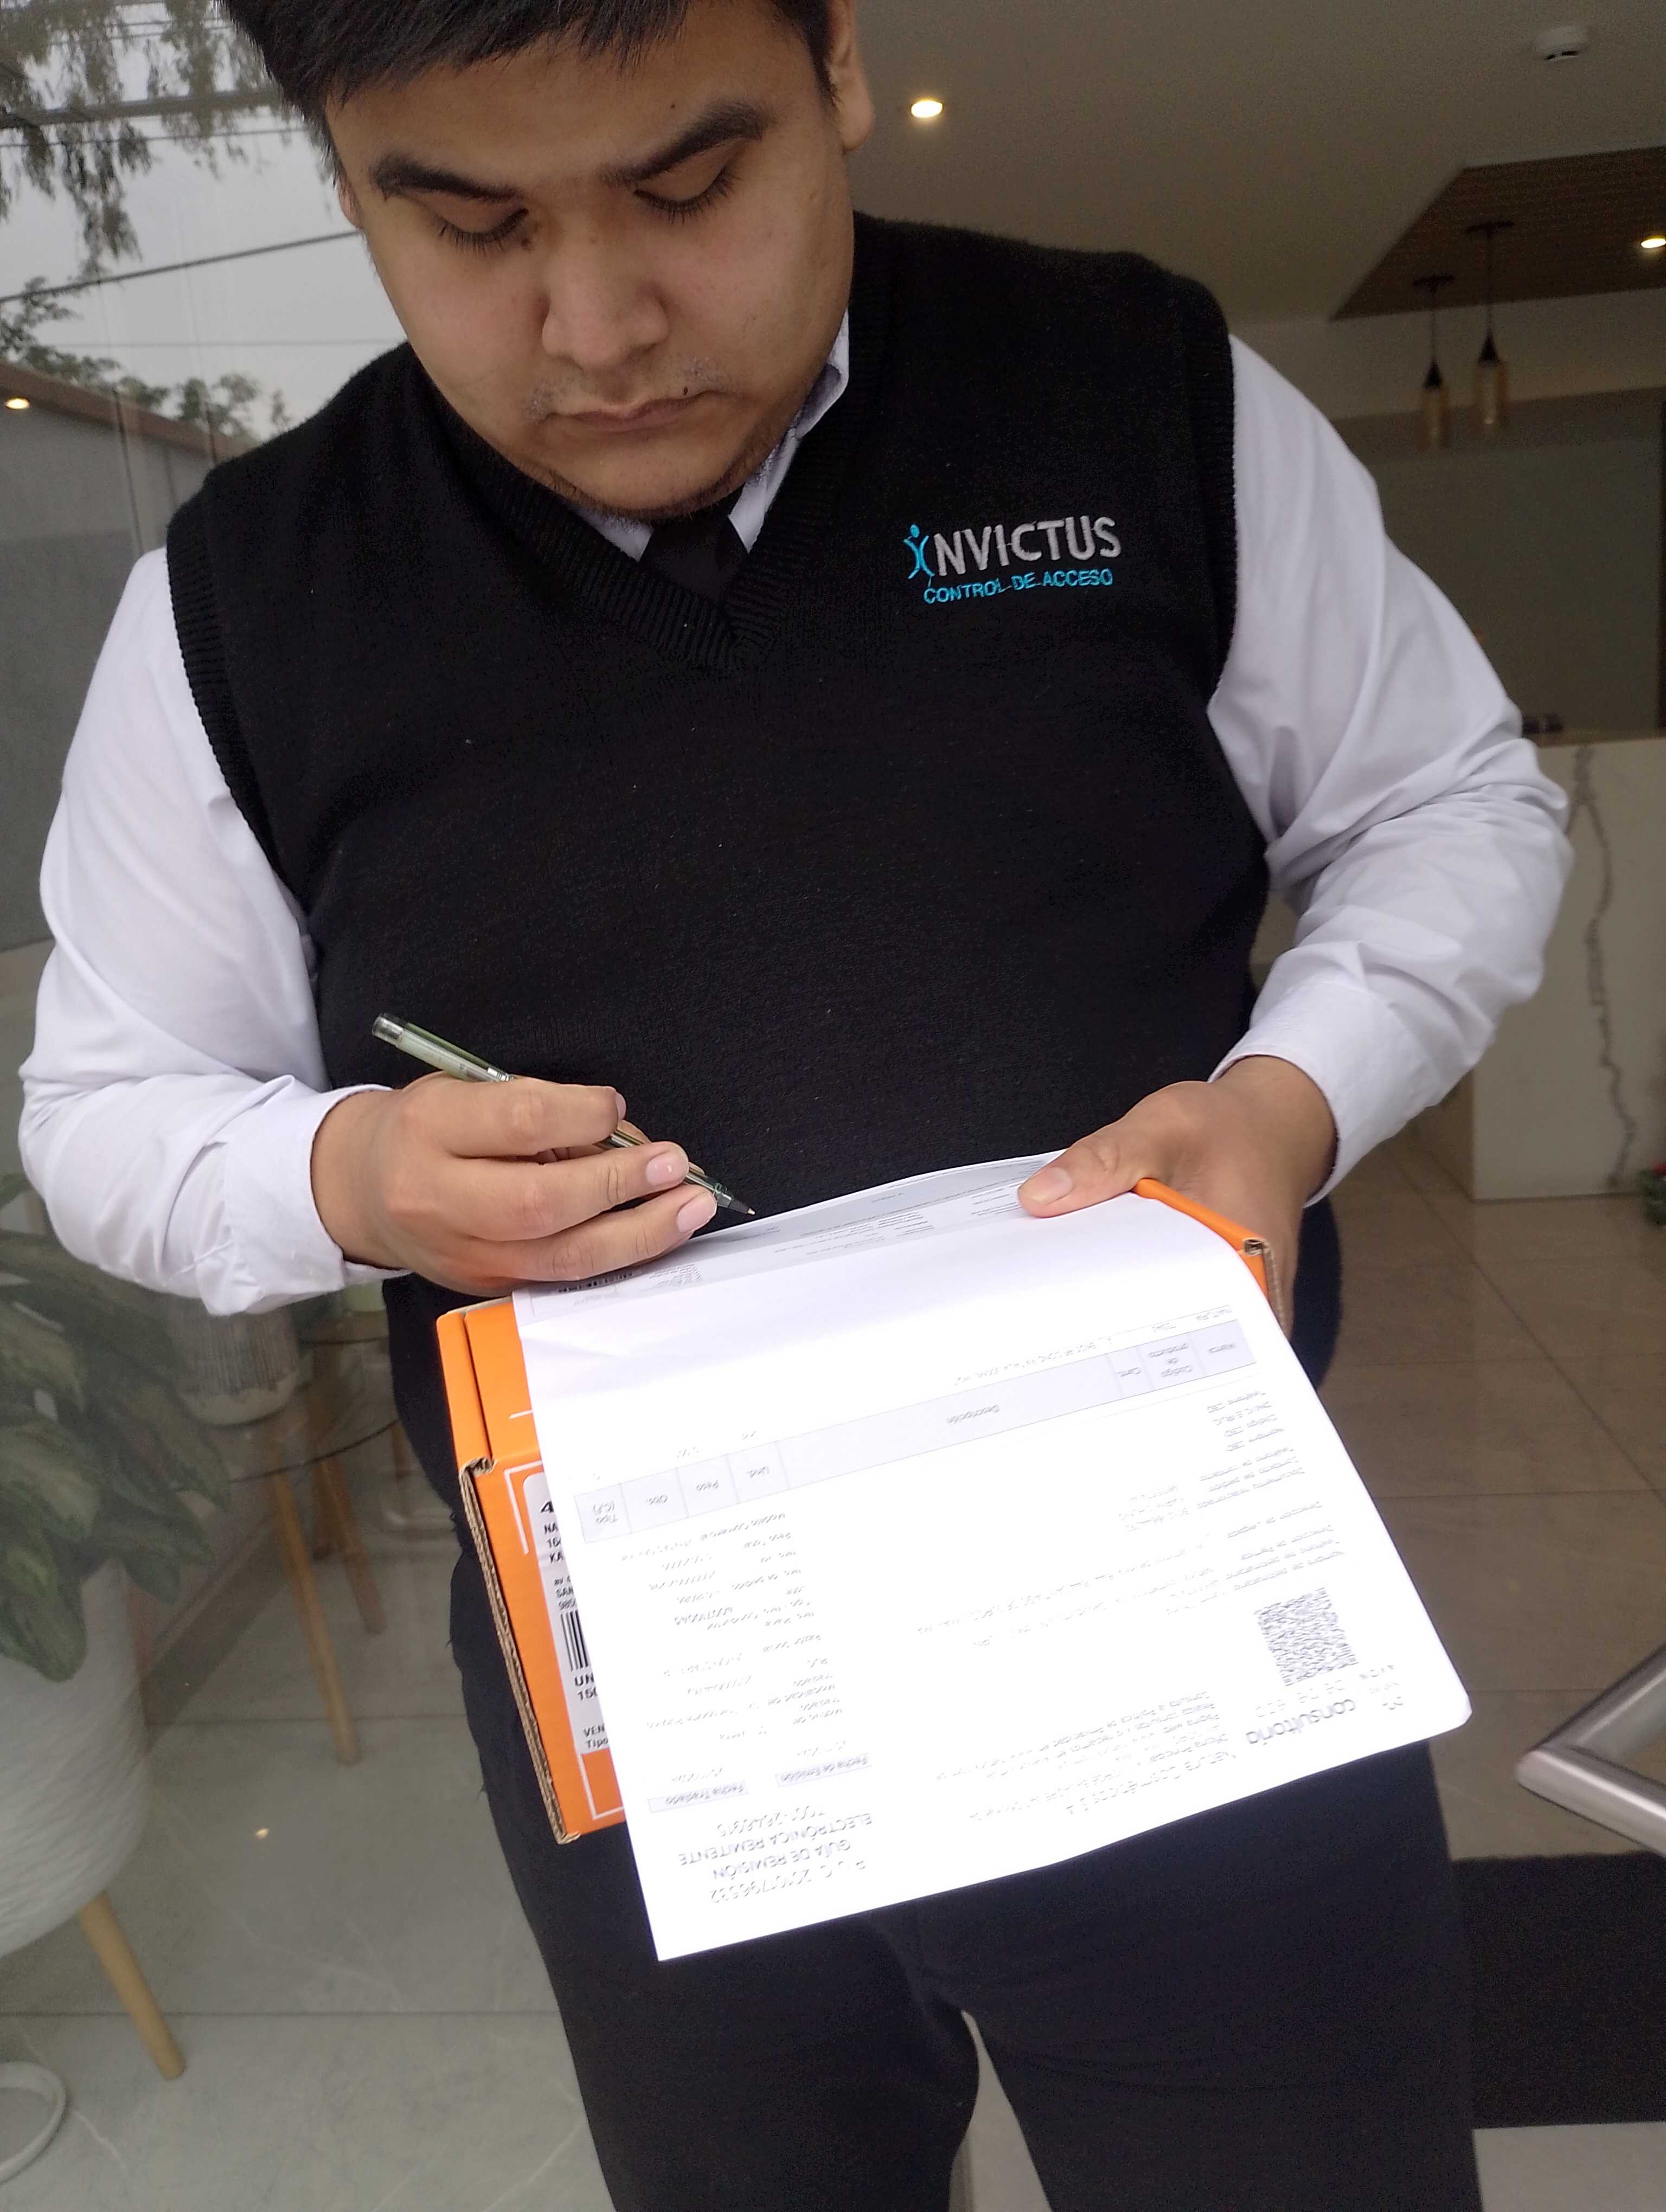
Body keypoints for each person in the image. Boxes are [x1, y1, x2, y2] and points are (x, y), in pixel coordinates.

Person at [20, 3, 1569, 2205]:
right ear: (343, 169)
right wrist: (346, 1171)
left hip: (1179, 1604)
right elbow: (104, 1108)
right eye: (467, 227)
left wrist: (1288, 1100)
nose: (595, 327)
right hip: (658, 1681)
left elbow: (1449, 806)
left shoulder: (1137, 394)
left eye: (687, 188)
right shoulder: (246, 598)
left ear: (837, 59)